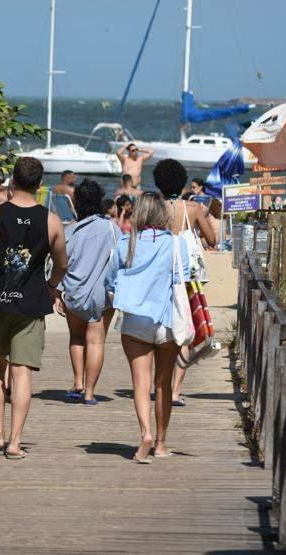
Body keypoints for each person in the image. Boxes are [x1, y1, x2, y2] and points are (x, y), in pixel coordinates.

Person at [0, 157, 68, 460]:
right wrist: (51, 286)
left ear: (13, 182)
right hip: (30, 305)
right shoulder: (52, 221)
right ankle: (16, 442)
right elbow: (61, 264)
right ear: (39, 185)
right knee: (23, 373)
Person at [104, 192, 190, 463]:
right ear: (163, 215)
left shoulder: (126, 243)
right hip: (167, 321)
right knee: (163, 382)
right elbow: (184, 281)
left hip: (135, 322)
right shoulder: (177, 245)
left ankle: (145, 435)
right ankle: (162, 444)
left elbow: (109, 281)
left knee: (140, 384)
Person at [152, 159, 216, 408]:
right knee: (185, 331)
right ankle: (175, 391)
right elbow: (212, 239)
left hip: (160, 275)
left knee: (162, 328)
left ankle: (160, 382)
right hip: (187, 278)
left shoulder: (154, 209)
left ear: (158, 182)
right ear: (182, 182)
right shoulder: (194, 209)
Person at [58, 179, 121, 405]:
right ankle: (90, 392)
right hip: (102, 294)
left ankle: (77, 383)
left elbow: (60, 263)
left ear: (76, 203)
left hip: (74, 291)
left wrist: (57, 291)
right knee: (96, 341)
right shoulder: (111, 228)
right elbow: (121, 258)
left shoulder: (70, 231)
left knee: (76, 336)